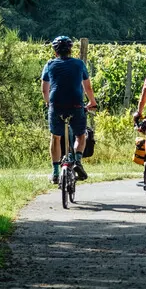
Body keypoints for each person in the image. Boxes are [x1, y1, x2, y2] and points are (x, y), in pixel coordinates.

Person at [41, 36, 97, 184]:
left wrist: (48, 103)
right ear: (70, 50)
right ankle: (78, 160)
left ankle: (55, 172)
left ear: (55, 52)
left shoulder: (49, 64)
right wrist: (92, 101)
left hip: (56, 105)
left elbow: (44, 90)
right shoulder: (79, 64)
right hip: (76, 104)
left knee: (55, 137)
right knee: (80, 135)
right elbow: (87, 87)